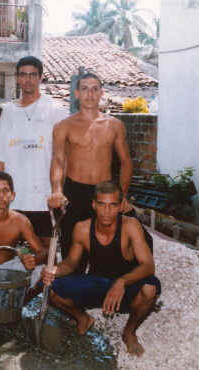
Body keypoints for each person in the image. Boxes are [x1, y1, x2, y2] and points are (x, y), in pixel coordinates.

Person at [41, 181, 160, 357]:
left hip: (127, 288)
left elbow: (148, 266)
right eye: (102, 205)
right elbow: (72, 262)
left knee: (150, 289)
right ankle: (83, 318)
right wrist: (55, 271)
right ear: (94, 205)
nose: (106, 211)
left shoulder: (130, 226)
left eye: (112, 205)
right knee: (52, 290)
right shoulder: (82, 228)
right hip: (98, 283)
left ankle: (129, 332)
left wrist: (121, 282)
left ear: (120, 207)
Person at [48, 72, 133, 258]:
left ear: (101, 93)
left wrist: (123, 196)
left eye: (95, 89)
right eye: (85, 89)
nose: (90, 94)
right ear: (77, 93)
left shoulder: (114, 125)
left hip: (106, 193)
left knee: (107, 250)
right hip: (74, 192)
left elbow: (126, 162)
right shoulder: (64, 126)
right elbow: (58, 160)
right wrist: (56, 190)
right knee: (72, 250)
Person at [0, 56, 68, 245]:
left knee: (46, 252)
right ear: (17, 78)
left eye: (33, 75)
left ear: (40, 78)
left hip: (43, 196)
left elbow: (63, 157)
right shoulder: (8, 111)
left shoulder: (56, 110)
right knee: (10, 250)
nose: (28, 80)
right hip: (13, 197)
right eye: (23, 75)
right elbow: (0, 156)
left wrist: (59, 191)